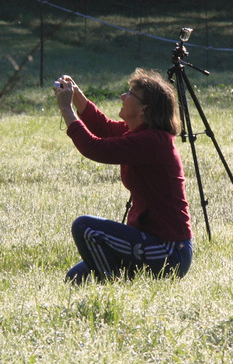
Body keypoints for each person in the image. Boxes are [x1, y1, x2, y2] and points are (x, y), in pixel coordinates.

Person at [54, 69, 194, 283]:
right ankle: (113, 283)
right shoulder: (142, 134)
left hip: (169, 251)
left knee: (85, 228)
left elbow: (94, 148)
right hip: (152, 242)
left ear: (143, 109)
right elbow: (103, 128)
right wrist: (76, 96)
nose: (122, 96)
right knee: (76, 278)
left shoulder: (152, 142)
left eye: (130, 93)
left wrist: (66, 108)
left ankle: (112, 289)